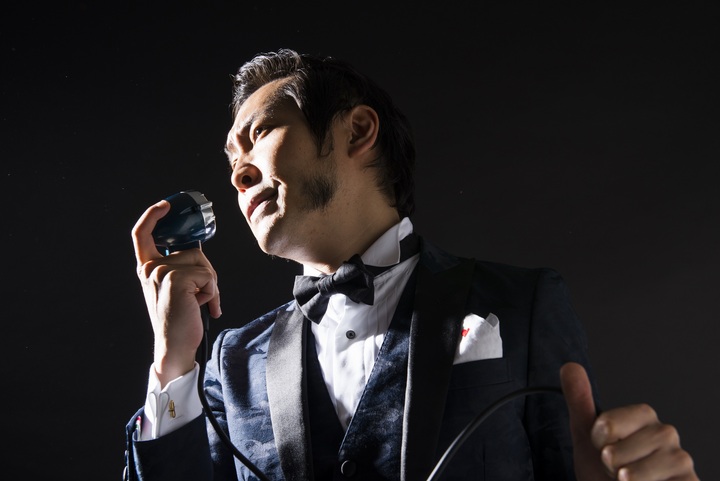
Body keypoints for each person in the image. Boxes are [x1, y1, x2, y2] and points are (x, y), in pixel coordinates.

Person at [124, 49, 698, 481]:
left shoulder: (521, 303)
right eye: (231, 158)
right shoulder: (231, 361)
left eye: (260, 134)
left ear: (358, 131)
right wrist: (173, 362)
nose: (239, 173)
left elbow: (581, 462)